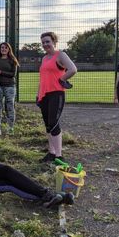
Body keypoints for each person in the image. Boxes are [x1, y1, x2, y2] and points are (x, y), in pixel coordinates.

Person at [37, 32, 77, 163]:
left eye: (47, 41)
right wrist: (38, 95)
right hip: (44, 95)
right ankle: (51, 152)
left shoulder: (61, 55)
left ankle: (59, 156)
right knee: (48, 124)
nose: (45, 44)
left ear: (54, 42)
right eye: (43, 42)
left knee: (53, 123)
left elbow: (73, 69)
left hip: (56, 93)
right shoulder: (44, 58)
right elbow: (42, 78)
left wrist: (62, 79)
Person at [0, 42, 19, 136]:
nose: (4, 49)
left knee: (10, 107)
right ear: (0, 49)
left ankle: (11, 127)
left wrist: (1, 72)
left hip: (10, 87)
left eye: (6, 48)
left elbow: (12, 74)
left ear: (9, 49)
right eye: (2, 47)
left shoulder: (12, 60)